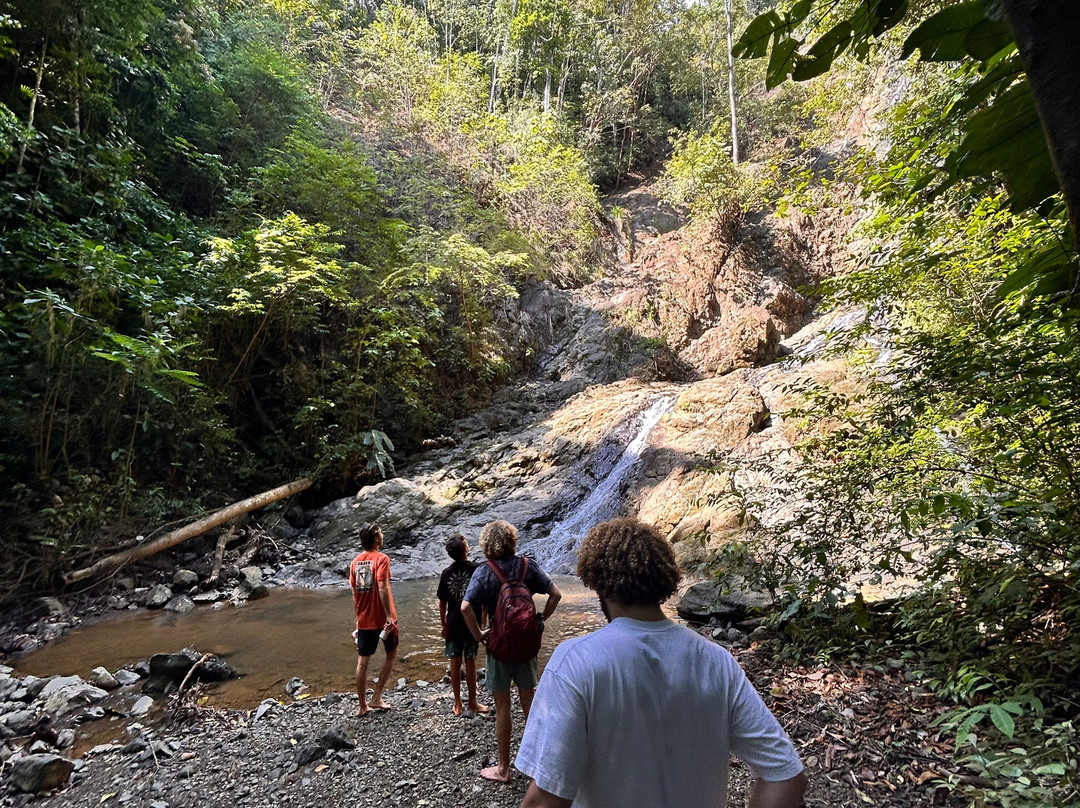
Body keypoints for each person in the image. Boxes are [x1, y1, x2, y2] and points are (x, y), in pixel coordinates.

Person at [516, 518, 808, 808]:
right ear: (663, 580)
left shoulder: (574, 662)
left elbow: (546, 800)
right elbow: (785, 776)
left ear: (597, 583)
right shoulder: (717, 662)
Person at [461, 519, 562, 783]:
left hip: (499, 647)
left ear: (486, 545)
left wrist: (478, 634)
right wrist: (540, 620)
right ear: (512, 541)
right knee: (529, 703)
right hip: (527, 646)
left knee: (503, 706)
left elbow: (464, 608)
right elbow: (556, 594)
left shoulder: (484, 572)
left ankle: (504, 768)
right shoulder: (528, 566)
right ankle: (536, 766)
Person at [348, 522, 399, 717]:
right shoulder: (382, 559)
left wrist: (358, 617)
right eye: (381, 533)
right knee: (391, 656)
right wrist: (388, 616)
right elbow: (382, 587)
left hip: (364, 619)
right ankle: (376, 697)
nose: (383, 535)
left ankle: (362, 706)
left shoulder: (355, 563)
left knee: (362, 662)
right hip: (384, 619)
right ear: (376, 539)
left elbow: (355, 594)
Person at [437, 533, 490, 716]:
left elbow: (442, 603)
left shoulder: (446, 573)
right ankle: (473, 702)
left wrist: (443, 625)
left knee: (454, 661)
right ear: (466, 550)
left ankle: (458, 702)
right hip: (471, 623)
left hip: (453, 623)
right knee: (471, 662)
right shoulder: (477, 569)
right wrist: (482, 624)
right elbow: (484, 600)